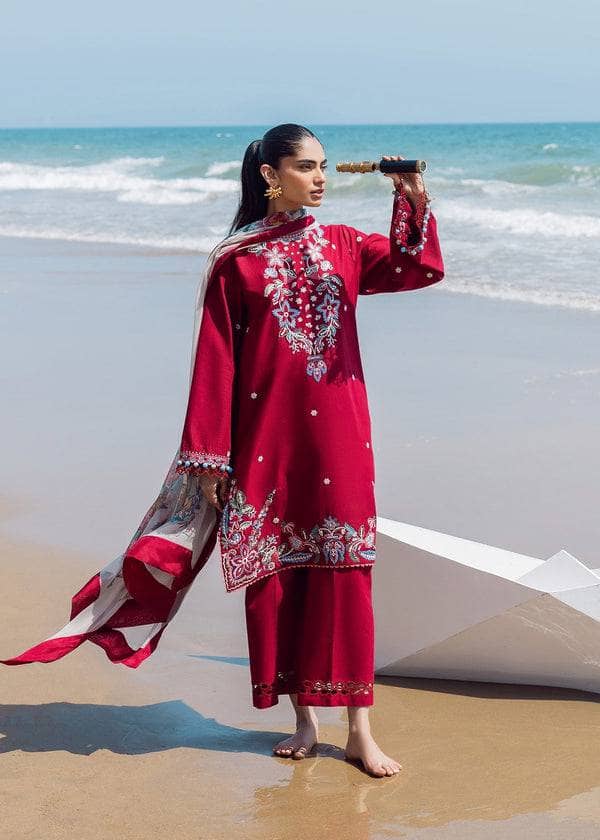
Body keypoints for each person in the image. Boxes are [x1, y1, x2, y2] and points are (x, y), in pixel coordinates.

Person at [1, 123, 444, 779]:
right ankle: (302, 719)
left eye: (324, 167)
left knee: (346, 572)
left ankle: (359, 730)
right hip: (265, 443)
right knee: (276, 577)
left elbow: (417, 267)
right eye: (305, 166)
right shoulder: (236, 261)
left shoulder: (346, 245)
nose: (320, 178)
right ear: (269, 175)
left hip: (340, 437)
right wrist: (209, 458)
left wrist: (411, 200)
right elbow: (217, 365)